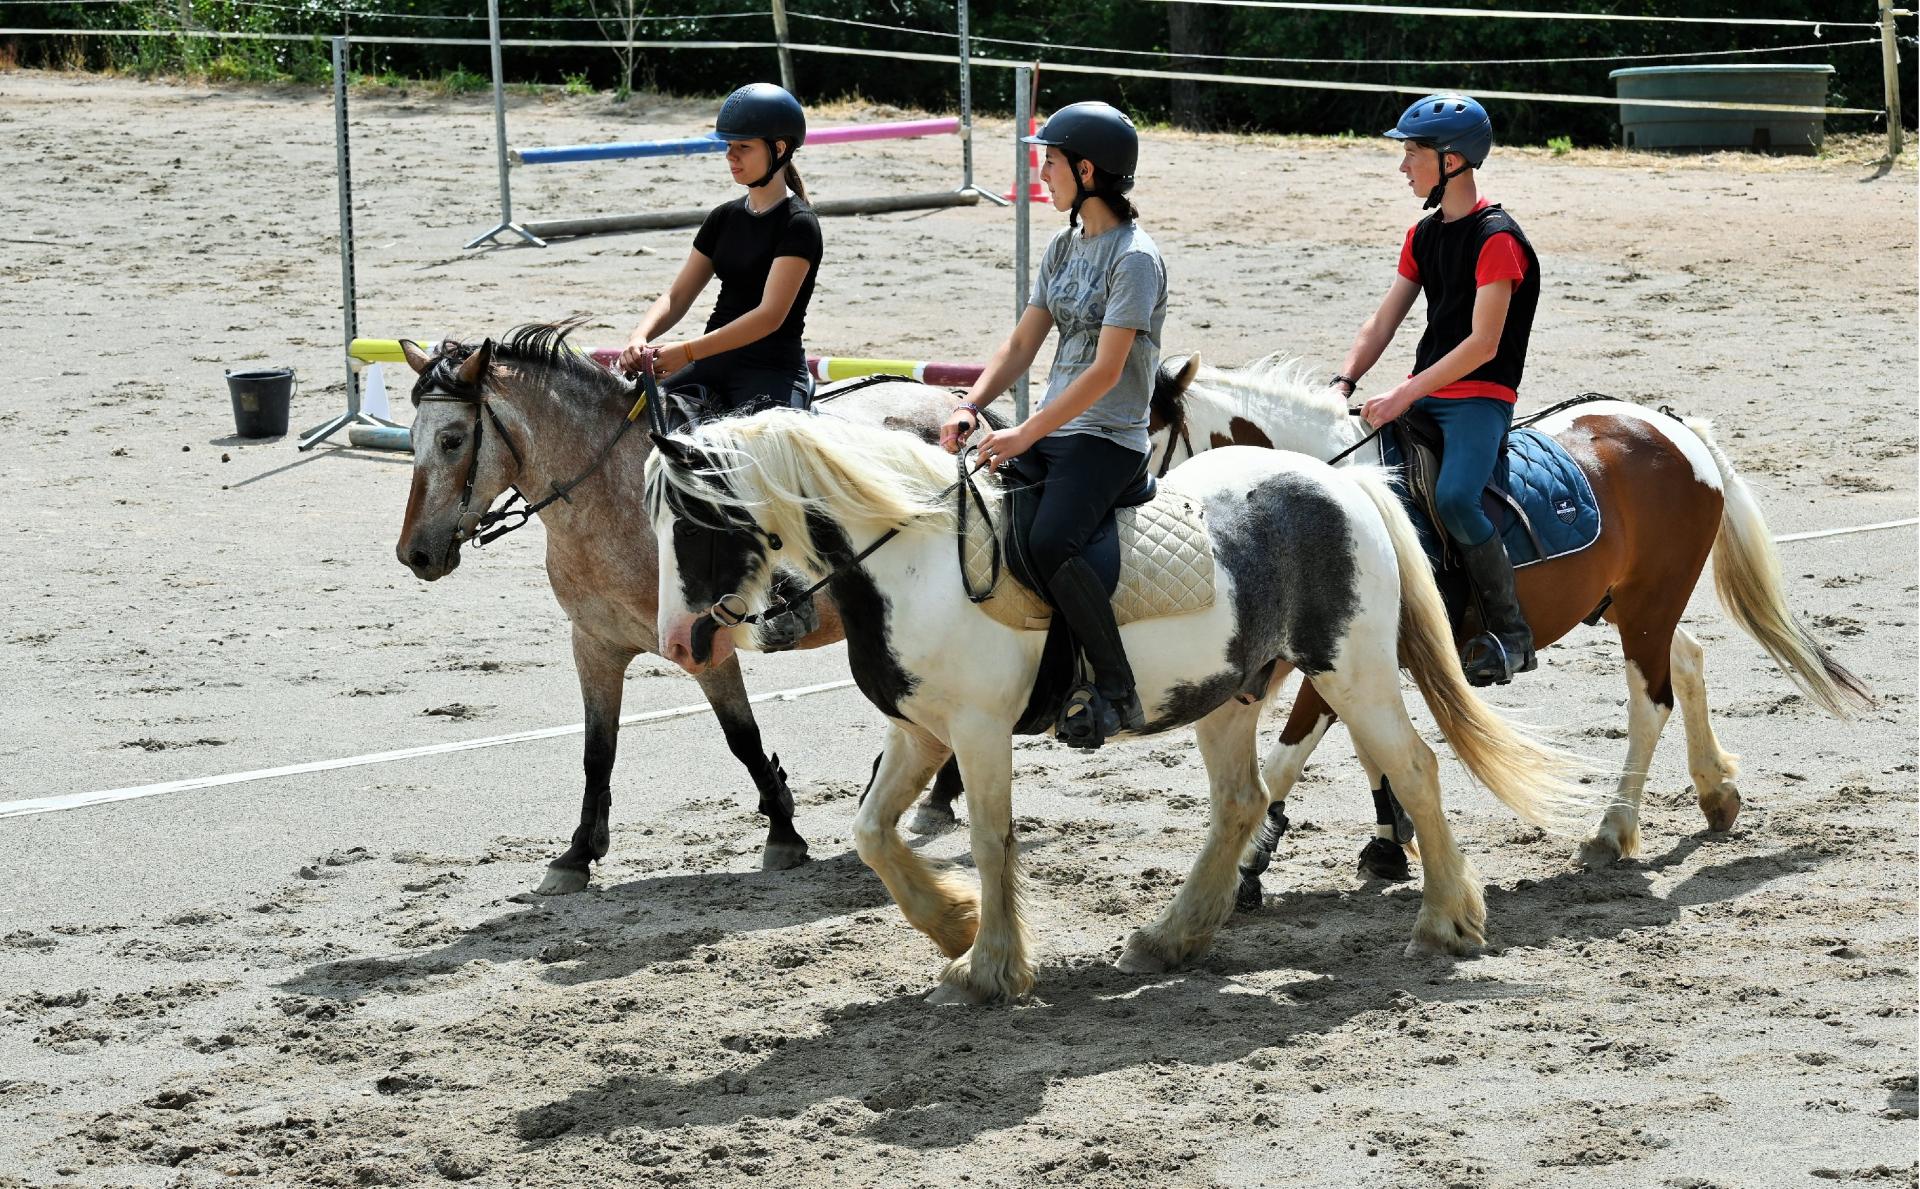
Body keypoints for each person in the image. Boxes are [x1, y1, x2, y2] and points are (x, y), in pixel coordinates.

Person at [941, 101, 1168, 750]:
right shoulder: (1064, 247)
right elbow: (1021, 345)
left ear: (1088, 170)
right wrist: (972, 402)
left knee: (1049, 543)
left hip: (1107, 439)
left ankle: (1118, 687)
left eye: (1051, 159)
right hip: (1053, 428)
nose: (1042, 170)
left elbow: (1106, 371)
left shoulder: (1136, 258)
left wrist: (1025, 433)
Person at [1329, 92, 1542, 686]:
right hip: (1428, 394)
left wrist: (1401, 394)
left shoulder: (1498, 238)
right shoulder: (1423, 235)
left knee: (1454, 499)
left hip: (1479, 399)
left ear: (1451, 161)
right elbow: (1384, 320)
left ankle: (1512, 633)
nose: (1403, 166)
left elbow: (1482, 345)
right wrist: (1344, 379)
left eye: (1412, 153)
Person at [617, 83, 822, 414]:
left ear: (779, 148)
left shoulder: (799, 223)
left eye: (743, 146)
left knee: (768, 449)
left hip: (770, 371)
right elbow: (677, 297)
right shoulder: (723, 217)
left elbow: (769, 316)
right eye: (729, 145)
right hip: (709, 362)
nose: (731, 155)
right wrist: (638, 337)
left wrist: (687, 351)